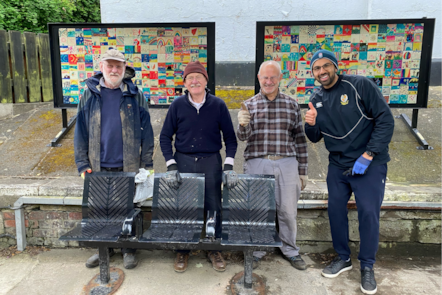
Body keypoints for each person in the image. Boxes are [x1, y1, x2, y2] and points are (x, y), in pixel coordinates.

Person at [304, 49, 394, 295]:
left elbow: (386, 120)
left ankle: (367, 266)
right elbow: (314, 137)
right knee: (335, 210)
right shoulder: (317, 96)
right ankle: (343, 257)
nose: (321, 72)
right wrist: (310, 123)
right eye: (316, 69)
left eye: (325, 66)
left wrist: (369, 153)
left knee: (368, 213)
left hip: (368, 163)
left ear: (335, 66)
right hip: (338, 164)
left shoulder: (360, 85)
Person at [74, 49, 154, 270]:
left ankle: (128, 249)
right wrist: (82, 164)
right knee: (100, 210)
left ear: (124, 67)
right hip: (97, 166)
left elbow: (147, 132)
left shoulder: (135, 94)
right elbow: (80, 131)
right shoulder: (89, 94)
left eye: (118, 66)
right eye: (109, 65)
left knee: (128, 209)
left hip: (127, 165)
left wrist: (146, 164)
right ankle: (104, 249)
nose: (114, 70)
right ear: (101, 67)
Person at [159, 61, 238, 273]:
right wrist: (171, 164)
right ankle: (183, 249)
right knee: (184, 207)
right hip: (183, 161)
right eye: (190, 78)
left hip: (211, 161)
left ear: (206, 81)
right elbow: (165, 137)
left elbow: (230, 138)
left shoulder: (218, 105)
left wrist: (228, 165)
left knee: (214, 206)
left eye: (198, 77)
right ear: (184, 83)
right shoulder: (177, 105)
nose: (194, 81)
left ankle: (214, 247)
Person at [237, 60, 308, 271]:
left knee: (287, 210)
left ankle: (291, 250)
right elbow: (242, 138)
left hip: (286, 163)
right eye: (265, 77)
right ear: (259, 79)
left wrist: (302, 171)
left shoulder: (292, 104)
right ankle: (256, 250)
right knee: (257, 210)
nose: (269, 81)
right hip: (257, 162)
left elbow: (301, 140)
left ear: (279, 79)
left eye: (273, 77)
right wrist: (243, 124)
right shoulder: (248, 105)